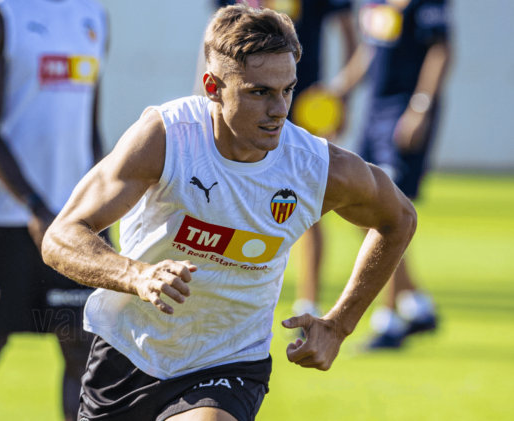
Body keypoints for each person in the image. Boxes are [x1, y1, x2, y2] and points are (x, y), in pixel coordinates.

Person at [43, 4, 416, 421]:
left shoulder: (316, 166)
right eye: (259, 92)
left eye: (287, 90)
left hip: (230, 363)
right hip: (130, 352)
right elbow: (62, 235)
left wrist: (339, 324)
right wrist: (136, 275)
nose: (279, 110)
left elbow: (398, 219)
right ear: (213, 86)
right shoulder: (166, 138)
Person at [0, 0, 108, 420]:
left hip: (73, 217)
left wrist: (101, 205)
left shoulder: (93, 14)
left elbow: (89, 127)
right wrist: (35, 206)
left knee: (83, 349)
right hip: (2, 215)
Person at [195, 1, 358, 324]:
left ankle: (306, 305)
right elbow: (213, 39)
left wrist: (340, 94)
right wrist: (204, 101)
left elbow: (352, 37)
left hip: (303, 104)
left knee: (306, 205)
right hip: (239, 102)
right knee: (219, 195)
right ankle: (215, 295)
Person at [328, 0, 451, 348]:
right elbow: (370, 50)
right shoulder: (374, 3)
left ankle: (391, 322)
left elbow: (440, 50)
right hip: (374, 113)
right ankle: (416, 305)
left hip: (404, 111)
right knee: (361, 211)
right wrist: (341, 90)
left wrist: (420, 106)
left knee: (387, 214)